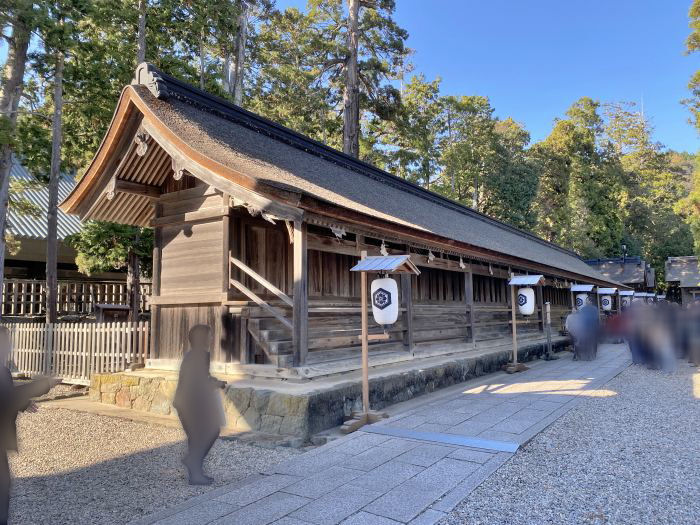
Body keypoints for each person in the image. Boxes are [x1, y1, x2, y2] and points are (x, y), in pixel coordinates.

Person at [0, 326, 60, 525]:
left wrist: (24, 404)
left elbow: (8, 398)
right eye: (5, 344)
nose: (8, 348)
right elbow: (8, 398)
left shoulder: (5, 372)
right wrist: (46, 385)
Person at [173, 325, 226, 485]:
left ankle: (195, 474)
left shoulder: (193, 354)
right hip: (191, 402)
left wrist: (215, 382)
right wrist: (215, 384)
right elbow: (200, 381)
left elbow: (200, 377)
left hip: (184, 401)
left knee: (196, 438)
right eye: (209, 336)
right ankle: (192, 463)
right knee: (212, 430)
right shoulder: (201, 355)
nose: (211, 338)